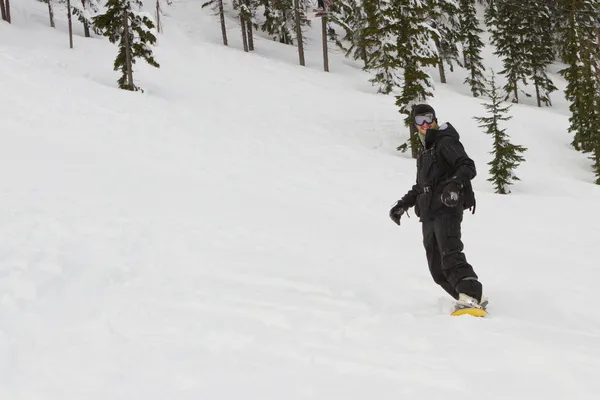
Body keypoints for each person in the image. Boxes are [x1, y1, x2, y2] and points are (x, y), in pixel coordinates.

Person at [389, 104, 487, 310]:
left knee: (450, 252)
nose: (425, 124)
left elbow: (467, 166)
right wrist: (402, 204)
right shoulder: (426, 152)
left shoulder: (445, 142)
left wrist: (454, 185)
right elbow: (421, 186)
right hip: (428, 212)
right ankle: (467, 295)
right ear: (415, 126)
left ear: (435, 119)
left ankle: (471, 295)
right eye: (419, 120)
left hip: (447, 206)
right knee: (436, 267)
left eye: (428, 118)